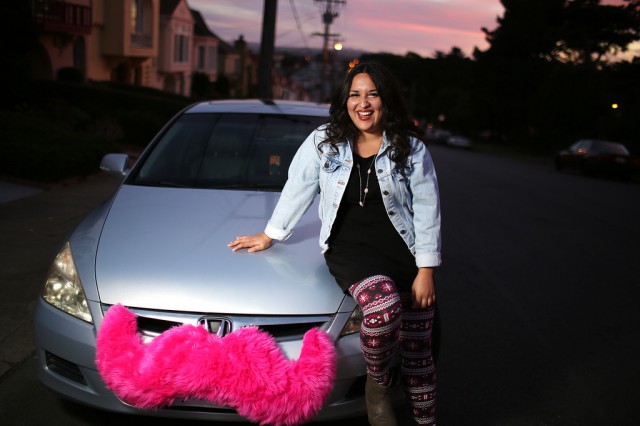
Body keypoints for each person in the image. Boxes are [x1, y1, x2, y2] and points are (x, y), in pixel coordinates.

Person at [228, 61, 441, 426]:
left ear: (386, 101)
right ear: (345, 101)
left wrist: (426, 270)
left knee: (418, 354)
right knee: (383, 308)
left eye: (373, 94)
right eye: (355, 95)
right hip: (350, 248)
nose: (364, 103)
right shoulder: (324, 141)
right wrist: (271, 233)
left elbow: (426, 208)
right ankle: (378, 385)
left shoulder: (411, 149)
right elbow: (299, 186)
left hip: (404, 250)